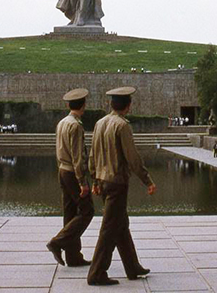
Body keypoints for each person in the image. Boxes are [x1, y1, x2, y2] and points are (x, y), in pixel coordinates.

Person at [87, 87, 156, 286]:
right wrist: (147, 180)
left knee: (120, 225)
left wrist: (95, 180)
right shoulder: (122, 125)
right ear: (128, 106)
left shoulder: (100, 123)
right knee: (110, 228)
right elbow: (132, 157)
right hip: (117, 182)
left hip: (103, 180)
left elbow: (92, 155)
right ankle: (96, 273)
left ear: (111, 104)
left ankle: (132, 267)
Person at [47, 88, 94, 267]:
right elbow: (78, 156)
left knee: (70, 212)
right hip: (73, 173)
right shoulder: (76, 125)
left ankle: (73, 257)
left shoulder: (62, 122)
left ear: (68, 105)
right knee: (87, 210)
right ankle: (57, 242)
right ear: (83, 105)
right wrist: (82, 181)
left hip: (62, 171)